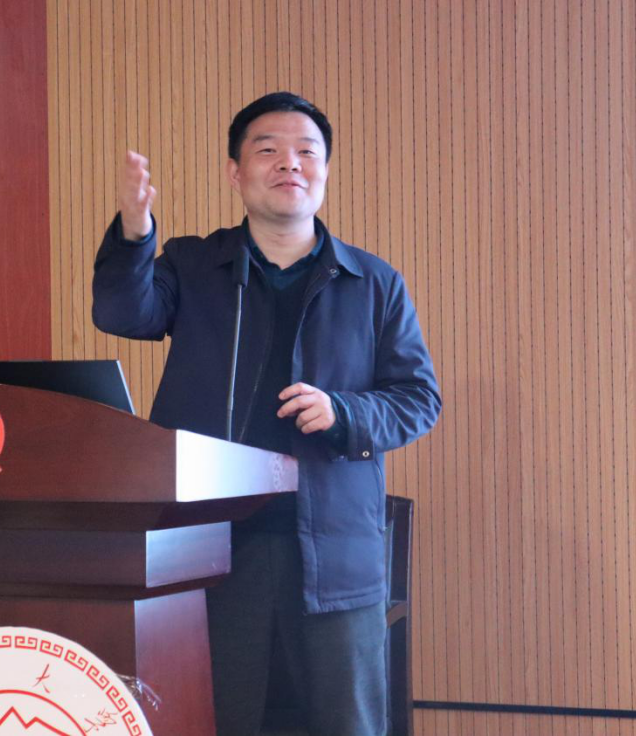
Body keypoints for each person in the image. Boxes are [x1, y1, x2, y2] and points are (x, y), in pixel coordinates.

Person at [92, 92, 441, 736]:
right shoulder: (196, 265)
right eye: (268, 150)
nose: (290, 163)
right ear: (236, 172)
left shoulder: (372, 282)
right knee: (214, 719)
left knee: (346, 723)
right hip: (214, 544)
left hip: (335, 550)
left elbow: (418, 399)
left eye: (307, 151)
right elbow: (122, 313)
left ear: (325, 172)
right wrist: (137, 234)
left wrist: (344, 412)